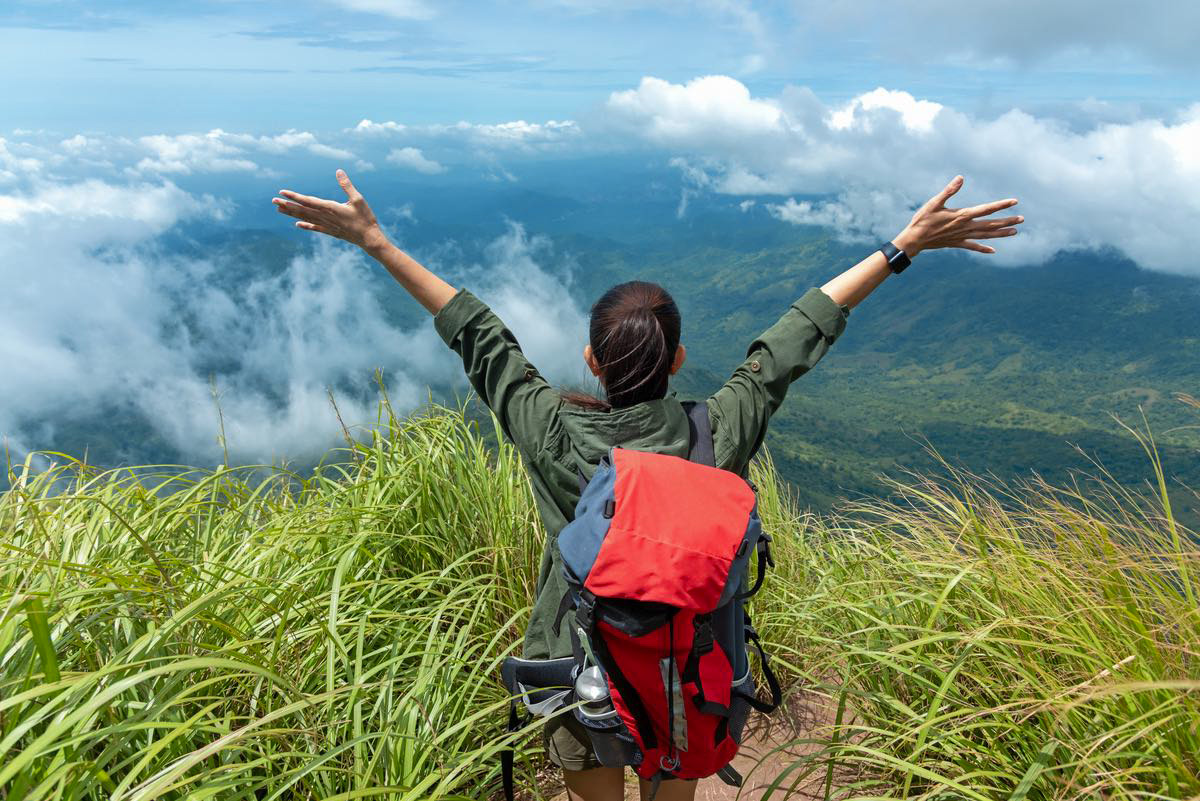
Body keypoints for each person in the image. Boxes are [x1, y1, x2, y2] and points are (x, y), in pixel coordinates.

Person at [272, 170, 1022, 801]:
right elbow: (790, 342)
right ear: (680, 356)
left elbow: (482, 336)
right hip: (685, 668)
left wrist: (376, 244)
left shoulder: (551, 430)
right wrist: (900, 248)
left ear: (592, 364)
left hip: (576, 668)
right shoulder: (715, 432)